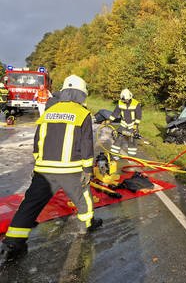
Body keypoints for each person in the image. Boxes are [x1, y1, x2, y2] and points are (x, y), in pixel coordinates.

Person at [0, 75, 102, 263]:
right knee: (83, 197)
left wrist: (38, 162)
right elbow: (87, 143)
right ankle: (87, 225)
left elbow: (38, 140)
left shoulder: (49, 111)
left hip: (44, 171)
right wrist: (88, 170)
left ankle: (13, 243)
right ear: (81, 94)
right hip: (71, 169)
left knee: (30, 205)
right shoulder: (82, 114)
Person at [105, 88, 142, 158]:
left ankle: (132, 156)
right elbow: (115, 113)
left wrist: (136, 125)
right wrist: (109, 120)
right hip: (123, 123)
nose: (125, 102)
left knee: (132, 140)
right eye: (124, 100)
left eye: (126, 100)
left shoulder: (136, 104)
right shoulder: (120, 103)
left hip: (132, 124)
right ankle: (114, 155)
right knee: (118, 139)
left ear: (130, 97)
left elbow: (139, 116)